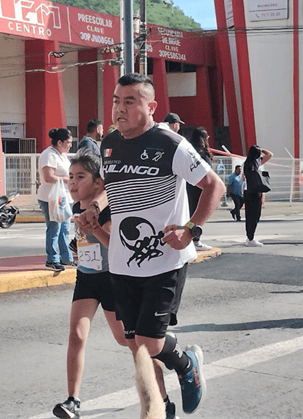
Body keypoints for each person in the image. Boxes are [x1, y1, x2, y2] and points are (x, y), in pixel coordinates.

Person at [78, 73, 224, 416]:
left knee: (150, 343)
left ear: (151, 106)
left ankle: (186, 364)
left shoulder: (169, 143)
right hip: (122, 260)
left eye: (130, 101)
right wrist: (95, 208)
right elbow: (106, 185)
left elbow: (212, 185)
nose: (120, 109)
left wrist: (191, 230)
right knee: (136, 346)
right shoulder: (109, 143)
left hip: (165, 261)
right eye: (116, 100)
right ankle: (163, 407)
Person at [53, 151, 127, 419]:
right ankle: (73, 401)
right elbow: (86, 242)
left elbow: (115, 246)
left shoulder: (107, 208)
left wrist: (94, 229)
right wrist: (79, 248)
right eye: (70, 177)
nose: (72, 183)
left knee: (126, 339)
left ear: (98, 182)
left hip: (111, 279)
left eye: (80, 177)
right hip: (86, 277)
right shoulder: (77, 207)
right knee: (77, 335)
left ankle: (169, 354)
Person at [38, 128, 76, 272]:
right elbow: (48, 177)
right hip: (51, 198)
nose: (70, 145)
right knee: (54, 228)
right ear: (59, 142)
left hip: (63, 198)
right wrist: (67, 180)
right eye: (68, 142)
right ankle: (52, 259)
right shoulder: (49, 154)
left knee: (64, 229)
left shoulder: (62, 155)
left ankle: (66, 258)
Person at [186, 127, 214, 251]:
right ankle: (195, 239)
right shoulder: (203, 154)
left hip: (191, 186)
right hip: (201, 187)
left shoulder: (191, 152)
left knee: (192, 213)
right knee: (199, 213)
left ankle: (192, 238)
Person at [243, 145, 273, 247]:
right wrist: (262, 149)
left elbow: (243, 177)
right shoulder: (257, 162)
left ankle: (249, 236)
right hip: (255, 191)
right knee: (255, 215)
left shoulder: (245, 163)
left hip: (247, 191)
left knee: (249, 215)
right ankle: (251, 238)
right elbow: (269, 154)